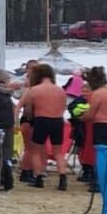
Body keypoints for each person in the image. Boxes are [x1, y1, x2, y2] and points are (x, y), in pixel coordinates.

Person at [24, 62, 69, 190]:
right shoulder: (60, 90)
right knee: (58, 152)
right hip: (58, 121)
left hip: (41, 120)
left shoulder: (35, 90)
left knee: (35, 151)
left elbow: (28, 111)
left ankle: (39, 179)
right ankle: (62, 179)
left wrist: (30, 119)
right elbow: (63, 107)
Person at [82, 66, 107, 174]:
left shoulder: (97, 93)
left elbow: (90, 114)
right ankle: (106, 176)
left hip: (101, 125)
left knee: (100, 153)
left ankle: (98, 179)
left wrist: (82, 117)